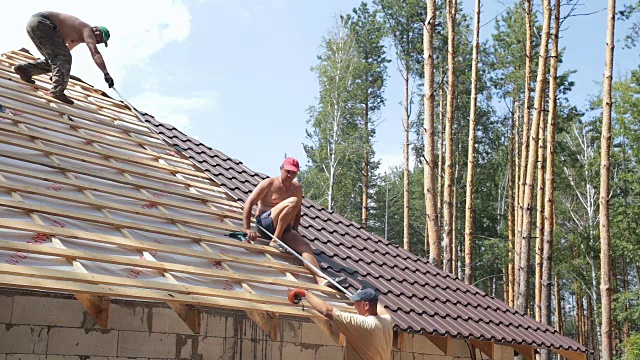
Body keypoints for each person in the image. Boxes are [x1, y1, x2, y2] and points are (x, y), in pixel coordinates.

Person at [242, 157, 345, 288]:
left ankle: (320, 279)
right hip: (265, 224)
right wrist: (247, 228)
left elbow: (297, 212)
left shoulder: (296, 188)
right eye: (288, 171)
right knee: (293, 201)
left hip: (283, 228)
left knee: (305, 247)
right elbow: (249, 203)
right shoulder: (269, 183)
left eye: (293, 172)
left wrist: (294, 230)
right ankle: (275, 240)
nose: (290, 175)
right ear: (281, 169)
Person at [13, 11, 114, 105]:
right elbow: (95, 52)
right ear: (96, 29)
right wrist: (106, 73)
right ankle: (57, 92)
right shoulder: (87, 29)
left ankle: (25, 70)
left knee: (55, 60)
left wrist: (59, 74)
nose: (99, 41)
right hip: (44, 23)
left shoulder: (77, 36)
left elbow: (62, 54)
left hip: (35, 24)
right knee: (62, 58)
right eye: (100, 38)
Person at [288, 287, 393, 360]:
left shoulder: (362, 324)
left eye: (356, 303)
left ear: (366, 305)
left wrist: (305, 293)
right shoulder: (386, 322)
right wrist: (369, 293)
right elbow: (380, 308)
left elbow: (327, 311)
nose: (354, 307)